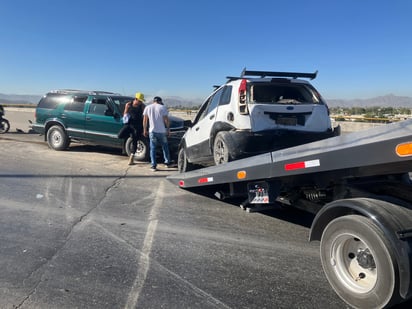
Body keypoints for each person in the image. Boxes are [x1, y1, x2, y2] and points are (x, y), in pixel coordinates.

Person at [143, 96, 171, 171]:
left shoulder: (147, 107)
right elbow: (166, 120)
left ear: (154, 101)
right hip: (162, 131)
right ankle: (167, 162)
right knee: (165, 147)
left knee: (153, 148)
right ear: (160, 101)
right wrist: (168, 129)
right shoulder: (162, 107)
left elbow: (145, 120)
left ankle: (153, 165)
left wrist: (145, 130)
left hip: (152, 131)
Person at [119, 92, 146, 165]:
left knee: (135, 141)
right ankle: (129, 137)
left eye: (141, 101)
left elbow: (144, 117)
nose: (140, 102)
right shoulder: (129, 105)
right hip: (129, 124)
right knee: (120, 135)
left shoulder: (142, 106)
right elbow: (125, 114)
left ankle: (132, 157)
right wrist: (126, 109)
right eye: (139, 101)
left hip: (137, 126)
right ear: (136, 99)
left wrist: (144, 128)